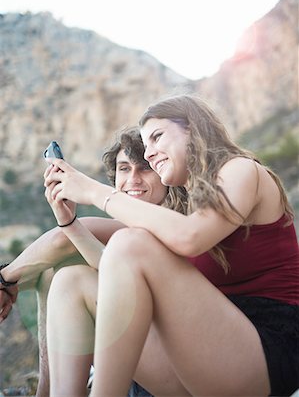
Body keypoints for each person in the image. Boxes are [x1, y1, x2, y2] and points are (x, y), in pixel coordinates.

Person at [44, 95, 299, 397]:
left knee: (130, 242)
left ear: (192, 130)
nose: (149, 154)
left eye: (156, 137)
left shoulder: (241, 170)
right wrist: (68, 221)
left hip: (264, 352)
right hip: (203, 351)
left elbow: (190, 237)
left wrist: (96, 192)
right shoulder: (187, 208)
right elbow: (120, 279)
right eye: (145, 144)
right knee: (71, 282)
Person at [0, 127, 186, 397]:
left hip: (180, 368)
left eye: (145, 169)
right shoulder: (134, 225)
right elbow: (102, 263)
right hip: (149, 359)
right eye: (124, 169)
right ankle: (46, 390)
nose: (133, 178)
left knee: (70, 275)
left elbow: (61, 242)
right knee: (56, 271)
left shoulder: (170, 220)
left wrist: (6, 279)